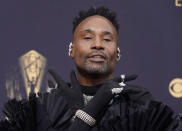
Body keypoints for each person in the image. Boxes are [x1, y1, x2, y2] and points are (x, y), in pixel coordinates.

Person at [0, 6, 181, 131]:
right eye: (87, 38)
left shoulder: (139, 102)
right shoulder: (45, 105)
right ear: (71, 50)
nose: (97, 44)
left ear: (117, 53)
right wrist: (87, 112)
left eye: (107, 39)